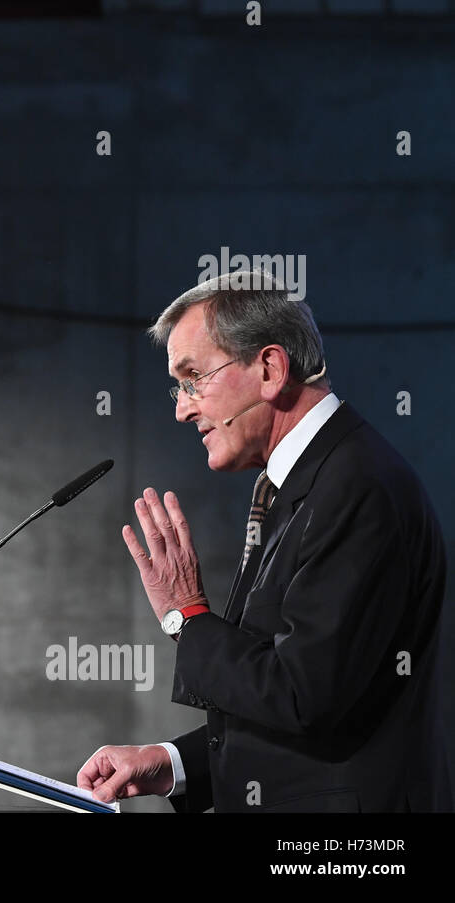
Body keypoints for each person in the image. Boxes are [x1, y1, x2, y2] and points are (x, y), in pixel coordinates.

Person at [76, 270, 451, 812]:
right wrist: (173, 764)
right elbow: (303, 707)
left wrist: (189, 614)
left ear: (271, 368)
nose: (182, 407)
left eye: (194, 377)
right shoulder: (305, 483)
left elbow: (305, 696)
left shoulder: (358, 485)